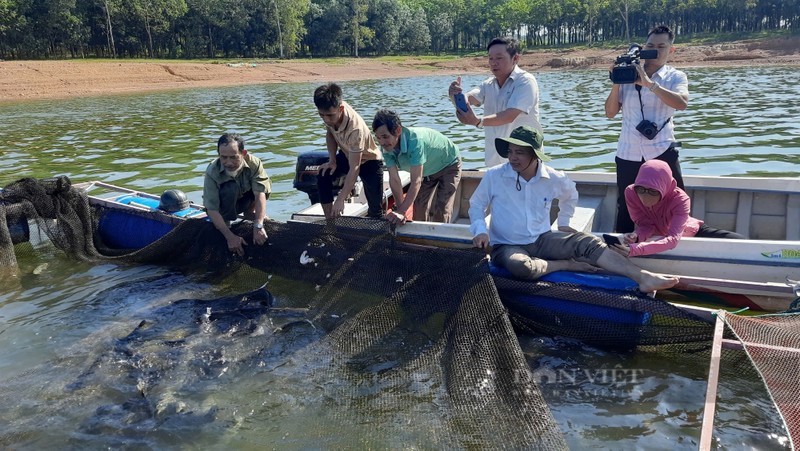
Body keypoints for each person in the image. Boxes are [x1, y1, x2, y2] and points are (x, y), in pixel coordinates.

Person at [468, 125, 679, 293]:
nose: (512, 157)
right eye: (510, 152)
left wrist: (564, 221)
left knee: (590, 243)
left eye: (520, 153)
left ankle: (643, 277)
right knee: (522, 267)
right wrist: (480, 231)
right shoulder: (494, 175)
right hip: (506, 245)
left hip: (543, 239)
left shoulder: (554, 177)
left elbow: (570, 194)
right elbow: (477, 205)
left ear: (535, 155)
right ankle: (566, 265)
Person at [605, 24, 690, 233]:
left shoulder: (675, 77)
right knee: (625, 206)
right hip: (629, 152)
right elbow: (610, 112)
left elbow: (681, 103)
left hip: (662, 151)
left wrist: (649, 83)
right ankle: (621, 250)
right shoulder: (628, 75)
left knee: (674, 202)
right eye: (650, 46)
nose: (655, 51)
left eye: (661, 46)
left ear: (671, 50)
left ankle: (676, 243)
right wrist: (617, 79)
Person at [609, 160, 745, 257]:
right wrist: (637, 236)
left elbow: (673, 239)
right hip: (659, 236)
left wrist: (636, 250)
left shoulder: (681, 200)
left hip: (689, 231)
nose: (645, 196)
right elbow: (645, 224)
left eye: (653, 191)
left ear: (663, 187)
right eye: (641, 189)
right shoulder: (631, 192)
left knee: (739, 241)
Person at [448, 37, 541, 168]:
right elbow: (470, 98)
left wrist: (478, 121)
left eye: (499, 58)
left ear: (515, 58)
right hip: (494, 161)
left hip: (525, 162)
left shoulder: (525, 81)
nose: (493, 63)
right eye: (490, 58)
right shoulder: (488, 84)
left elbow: (509, 115)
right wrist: (455, 95)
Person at [371, 109, 462, 225]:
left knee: (442, 207)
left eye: (385, 136)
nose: (382, 142)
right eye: (378, 138)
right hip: (427, 171)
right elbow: (394, 179)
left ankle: (437, 241)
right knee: (419, 207)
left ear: (398, 131)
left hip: (449, 164)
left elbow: (416, 181)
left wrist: (402, 210)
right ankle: (420, 239)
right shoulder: (386, 148)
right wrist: (400, 210)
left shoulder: (415, 141)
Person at [313, 83, 384, 219]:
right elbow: (330, 133)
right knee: (323, 175)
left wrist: (341, 199)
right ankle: (330, 221)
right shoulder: (329, 109)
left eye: (330, 116)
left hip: (369, 161)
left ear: (341, 108)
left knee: (375, 210)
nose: (326, 119)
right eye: (322, 115)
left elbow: (355, 168)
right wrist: (332, 160)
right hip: (347, 154)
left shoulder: (355, 129)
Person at [203, 133, 271, 257]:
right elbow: (211, 208)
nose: (228, 162)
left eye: (233, 157)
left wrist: (258, 224)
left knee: (263, 186)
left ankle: (250, 213)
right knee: (230, 188)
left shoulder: (254, 163)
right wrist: (229, 237)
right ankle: (226, 222)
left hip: (245, 200)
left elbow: (259, 193)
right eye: (224, 157)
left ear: (243, 154)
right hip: (223, 207)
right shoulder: (212, 171)